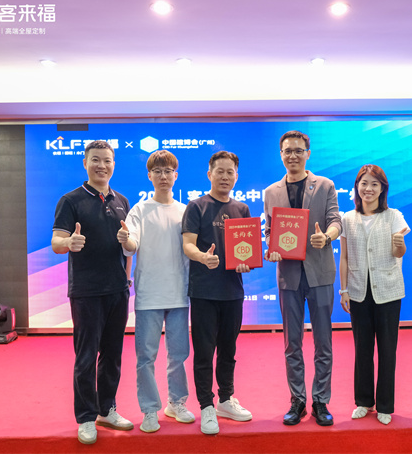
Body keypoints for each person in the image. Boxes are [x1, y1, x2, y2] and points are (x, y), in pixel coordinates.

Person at [51, 140, 134, 445]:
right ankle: (86, 417)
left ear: (114, 164)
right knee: (86, 356)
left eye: (107, 160)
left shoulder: (121, 200)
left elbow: (128, 246)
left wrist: (127, 276)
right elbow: (57, 242)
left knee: (112, 355)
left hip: (118, 290)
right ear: (85, 163)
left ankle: (106, 409)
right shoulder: (70, 200)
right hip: (86, 291)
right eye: (96, 160)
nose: (102, 165)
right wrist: (68, 243)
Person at [264, 130, 342, 426]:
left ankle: (321, 400)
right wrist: (271, 247)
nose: (293, 156)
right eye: (288, 151)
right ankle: (297, 400)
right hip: (288, 275)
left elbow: (335, 220)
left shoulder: (325, 185)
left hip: (319, 271)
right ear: (280, 155)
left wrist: (328, 237)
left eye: (298, 150)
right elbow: (270, 230)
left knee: (323, 342)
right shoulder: (271, 192)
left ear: (308, 154)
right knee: (291, 343)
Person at [117, 150, 195, 434]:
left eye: (168, 171)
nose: (163, 176)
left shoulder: (186, 211)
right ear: (149, 175)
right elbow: (132, 244)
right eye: (158, 171)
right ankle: (150, 409)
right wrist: (126, 240)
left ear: (176, 175)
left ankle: (177, 403)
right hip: (149, 294)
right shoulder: (139, 210)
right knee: (146, 357)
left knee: (179, 354)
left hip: (179, 293)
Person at [181, 151, 253, 435]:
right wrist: (202, 257)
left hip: (233, 291)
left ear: (236, 176)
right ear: (209, 174)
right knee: (204, 352)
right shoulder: (196, 206)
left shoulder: (242, 209)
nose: (225, 177)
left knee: (228, 350)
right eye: (219, 171)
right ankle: (206, 406)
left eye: (230, 172)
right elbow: (188, 244)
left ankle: (225, 399)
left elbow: (246, 250)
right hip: (204, 292)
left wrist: (247, 263)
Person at [339, 164, 409, 426]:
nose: (368, 189)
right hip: (358, 291)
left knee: (388, 349)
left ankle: (385, 405)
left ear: (383, 189)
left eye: (374, 184)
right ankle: (364, 401)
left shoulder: (394, 216)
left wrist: (400, 246)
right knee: (362, 349)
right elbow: (344, 257)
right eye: (364, 183)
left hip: (388, 291)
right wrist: (344, 289)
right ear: (357, 187)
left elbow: (399, 253)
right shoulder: (347, 218)